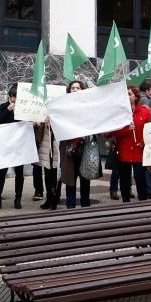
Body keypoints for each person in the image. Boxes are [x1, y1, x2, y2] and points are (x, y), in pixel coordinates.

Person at [109, 86, 151, 202]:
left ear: (136, 96)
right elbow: (112, 132)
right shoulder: (119, 114)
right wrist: (126, 129)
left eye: (129, 94)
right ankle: (126, 203)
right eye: (125, 94)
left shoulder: (144, 111)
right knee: (124, 180)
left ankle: (143, 201)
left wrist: (143, 142)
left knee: (140, 178)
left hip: (139, 152)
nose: (127, 96)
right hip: (124, 152)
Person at [58, 80, 97, 209]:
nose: (75, 90)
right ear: (69, 91)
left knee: (85, 180)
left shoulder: (89, 107)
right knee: (70, 181)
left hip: (85, 149)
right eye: (73, 88)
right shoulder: (63, 107)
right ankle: (71, 209)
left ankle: (85, 208)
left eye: (78, 88)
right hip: (69, 150)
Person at [0, 84, 28, 209]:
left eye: (17, 97)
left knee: (19, 173)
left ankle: (18, 198)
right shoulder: (3, 106)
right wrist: (8, 109)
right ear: (10, 96)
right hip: (5, 145)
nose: (14, 99)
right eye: (13, 96)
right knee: (1, 172)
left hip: (19, 146)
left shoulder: (24, 108)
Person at [36, 115, 60, 210]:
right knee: (47, 176)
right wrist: (41, 124)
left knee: (55, 177)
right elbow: (39, 136)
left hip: (55, 150)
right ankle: (49, 199)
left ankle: (55, 200)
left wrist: (53, 123)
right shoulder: (43, 113)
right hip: (46, 148)